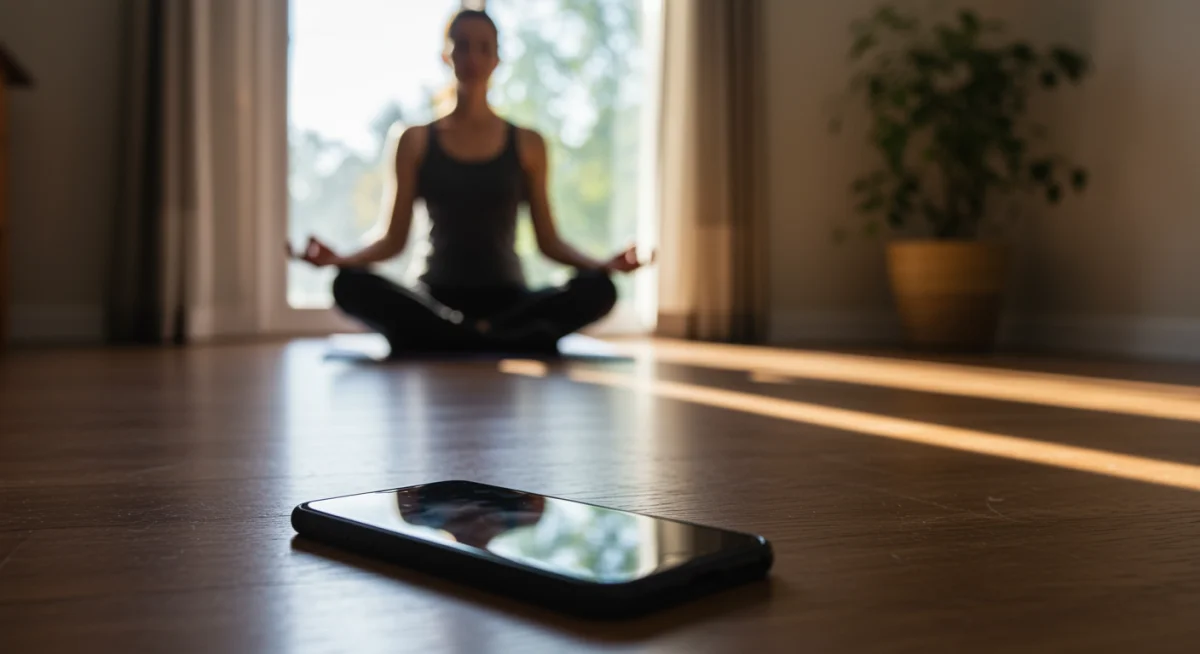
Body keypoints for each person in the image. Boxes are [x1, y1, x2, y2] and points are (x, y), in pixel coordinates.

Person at [291, 9, 651, 357]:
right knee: (348, 284)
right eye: (461, 45)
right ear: (445, 56)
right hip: (434, 298)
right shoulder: (414, 140)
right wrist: (342, 259)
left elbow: (549, 241)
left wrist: (603, 265)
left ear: (497, 59)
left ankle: (457, 338)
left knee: (599, 289)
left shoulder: (528, 143)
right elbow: (392, 239)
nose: (472, 57)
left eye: (483, 47)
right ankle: (498, 339)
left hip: (510, 300)